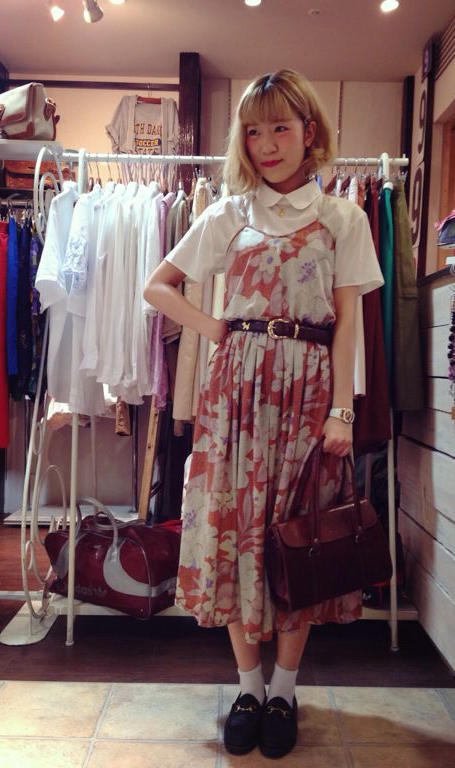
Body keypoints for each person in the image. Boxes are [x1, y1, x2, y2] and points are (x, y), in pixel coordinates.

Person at [144, 68, 384, 759]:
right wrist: (216, 328)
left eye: (281, 127)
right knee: (236, 533)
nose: (268, 144)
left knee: (297, 535)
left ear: (310, 132)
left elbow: (347, 323)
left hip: (309, 391)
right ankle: (248, 686)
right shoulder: (229, 213)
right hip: (236, 396)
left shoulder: (343, 218)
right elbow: (157, 287)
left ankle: (284, 690)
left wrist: (342, 412)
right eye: (254, 130)